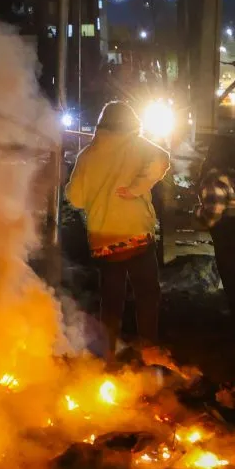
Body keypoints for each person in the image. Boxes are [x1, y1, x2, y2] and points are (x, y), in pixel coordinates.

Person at [65, 101, 170, 363]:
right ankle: (150, 350)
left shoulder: (87, 155)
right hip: (136, 233)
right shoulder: (139, 145)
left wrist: (95, 193)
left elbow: (75, 198)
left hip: (105, 238)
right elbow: (162, 159)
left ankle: (109, 353)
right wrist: (137, 187)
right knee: (147, 293)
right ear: (132, 121)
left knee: (111, 299)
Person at [195, 136, 235, 340]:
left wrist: (198, 213)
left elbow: (213, 215)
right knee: (234, 277)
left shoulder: (214, 180)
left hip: (227, 234)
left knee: (231, 283)